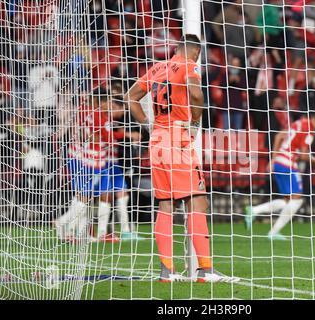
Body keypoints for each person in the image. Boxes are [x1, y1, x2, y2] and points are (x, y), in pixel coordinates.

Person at [127, 34, 239, 283]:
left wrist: (147, 125)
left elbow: (130, 98)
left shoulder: (156, 68)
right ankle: (206, 271)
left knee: (165, 206)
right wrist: (196, 121)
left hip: (156, 141)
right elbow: (196, 94)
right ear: (195, 53)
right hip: (178, 138)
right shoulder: (189, 66)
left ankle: (167, 271)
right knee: (197, 203)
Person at [55, 89, 138, 242]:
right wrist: (124, 135)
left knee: (86, 195)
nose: (109, 105)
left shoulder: (84, 111)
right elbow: (108, 138)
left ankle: (84, 232)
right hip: (88, 159)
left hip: (81, 156)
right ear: (101, 101)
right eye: (107, 102)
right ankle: (66, 225)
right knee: (86, 196)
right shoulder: (99, 116)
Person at [244, 108, 315, 240]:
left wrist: (273, 159)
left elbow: (278, 136)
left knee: (288, 201)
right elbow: (305, 155)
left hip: (279, 162)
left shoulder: (298, 123)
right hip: (288, 165)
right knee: (297, 200)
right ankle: (273, 233)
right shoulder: (309, 130)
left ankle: (254, 211)